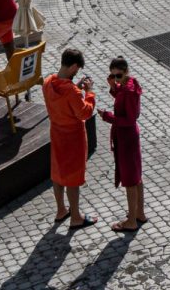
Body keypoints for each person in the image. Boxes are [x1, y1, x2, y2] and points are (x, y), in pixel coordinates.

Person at [43, 48, 98, 228]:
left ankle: (61, 210)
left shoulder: (48, 82)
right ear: (74, 66)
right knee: (73, 177)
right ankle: (76, 216)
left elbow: (65, 94)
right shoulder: (72, 92)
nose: (77, 72)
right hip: (73, 137)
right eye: (77, 69)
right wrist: (88, 92)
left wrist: (76, 87)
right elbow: (84, 113)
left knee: (58, 172)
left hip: (57, 133)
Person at [100, 56, 145, 233]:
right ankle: (139, 213)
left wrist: (107, 116)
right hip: (129, 137)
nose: (116, 79)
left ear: (125, 72)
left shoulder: (128, 91)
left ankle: (131, 221)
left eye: (118, 76)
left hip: (127, 139)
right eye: (112, 76)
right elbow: (123, 99)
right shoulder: (130, 84)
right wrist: (113, 87)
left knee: (130, 180)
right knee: (136, 177)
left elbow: (129, 118)